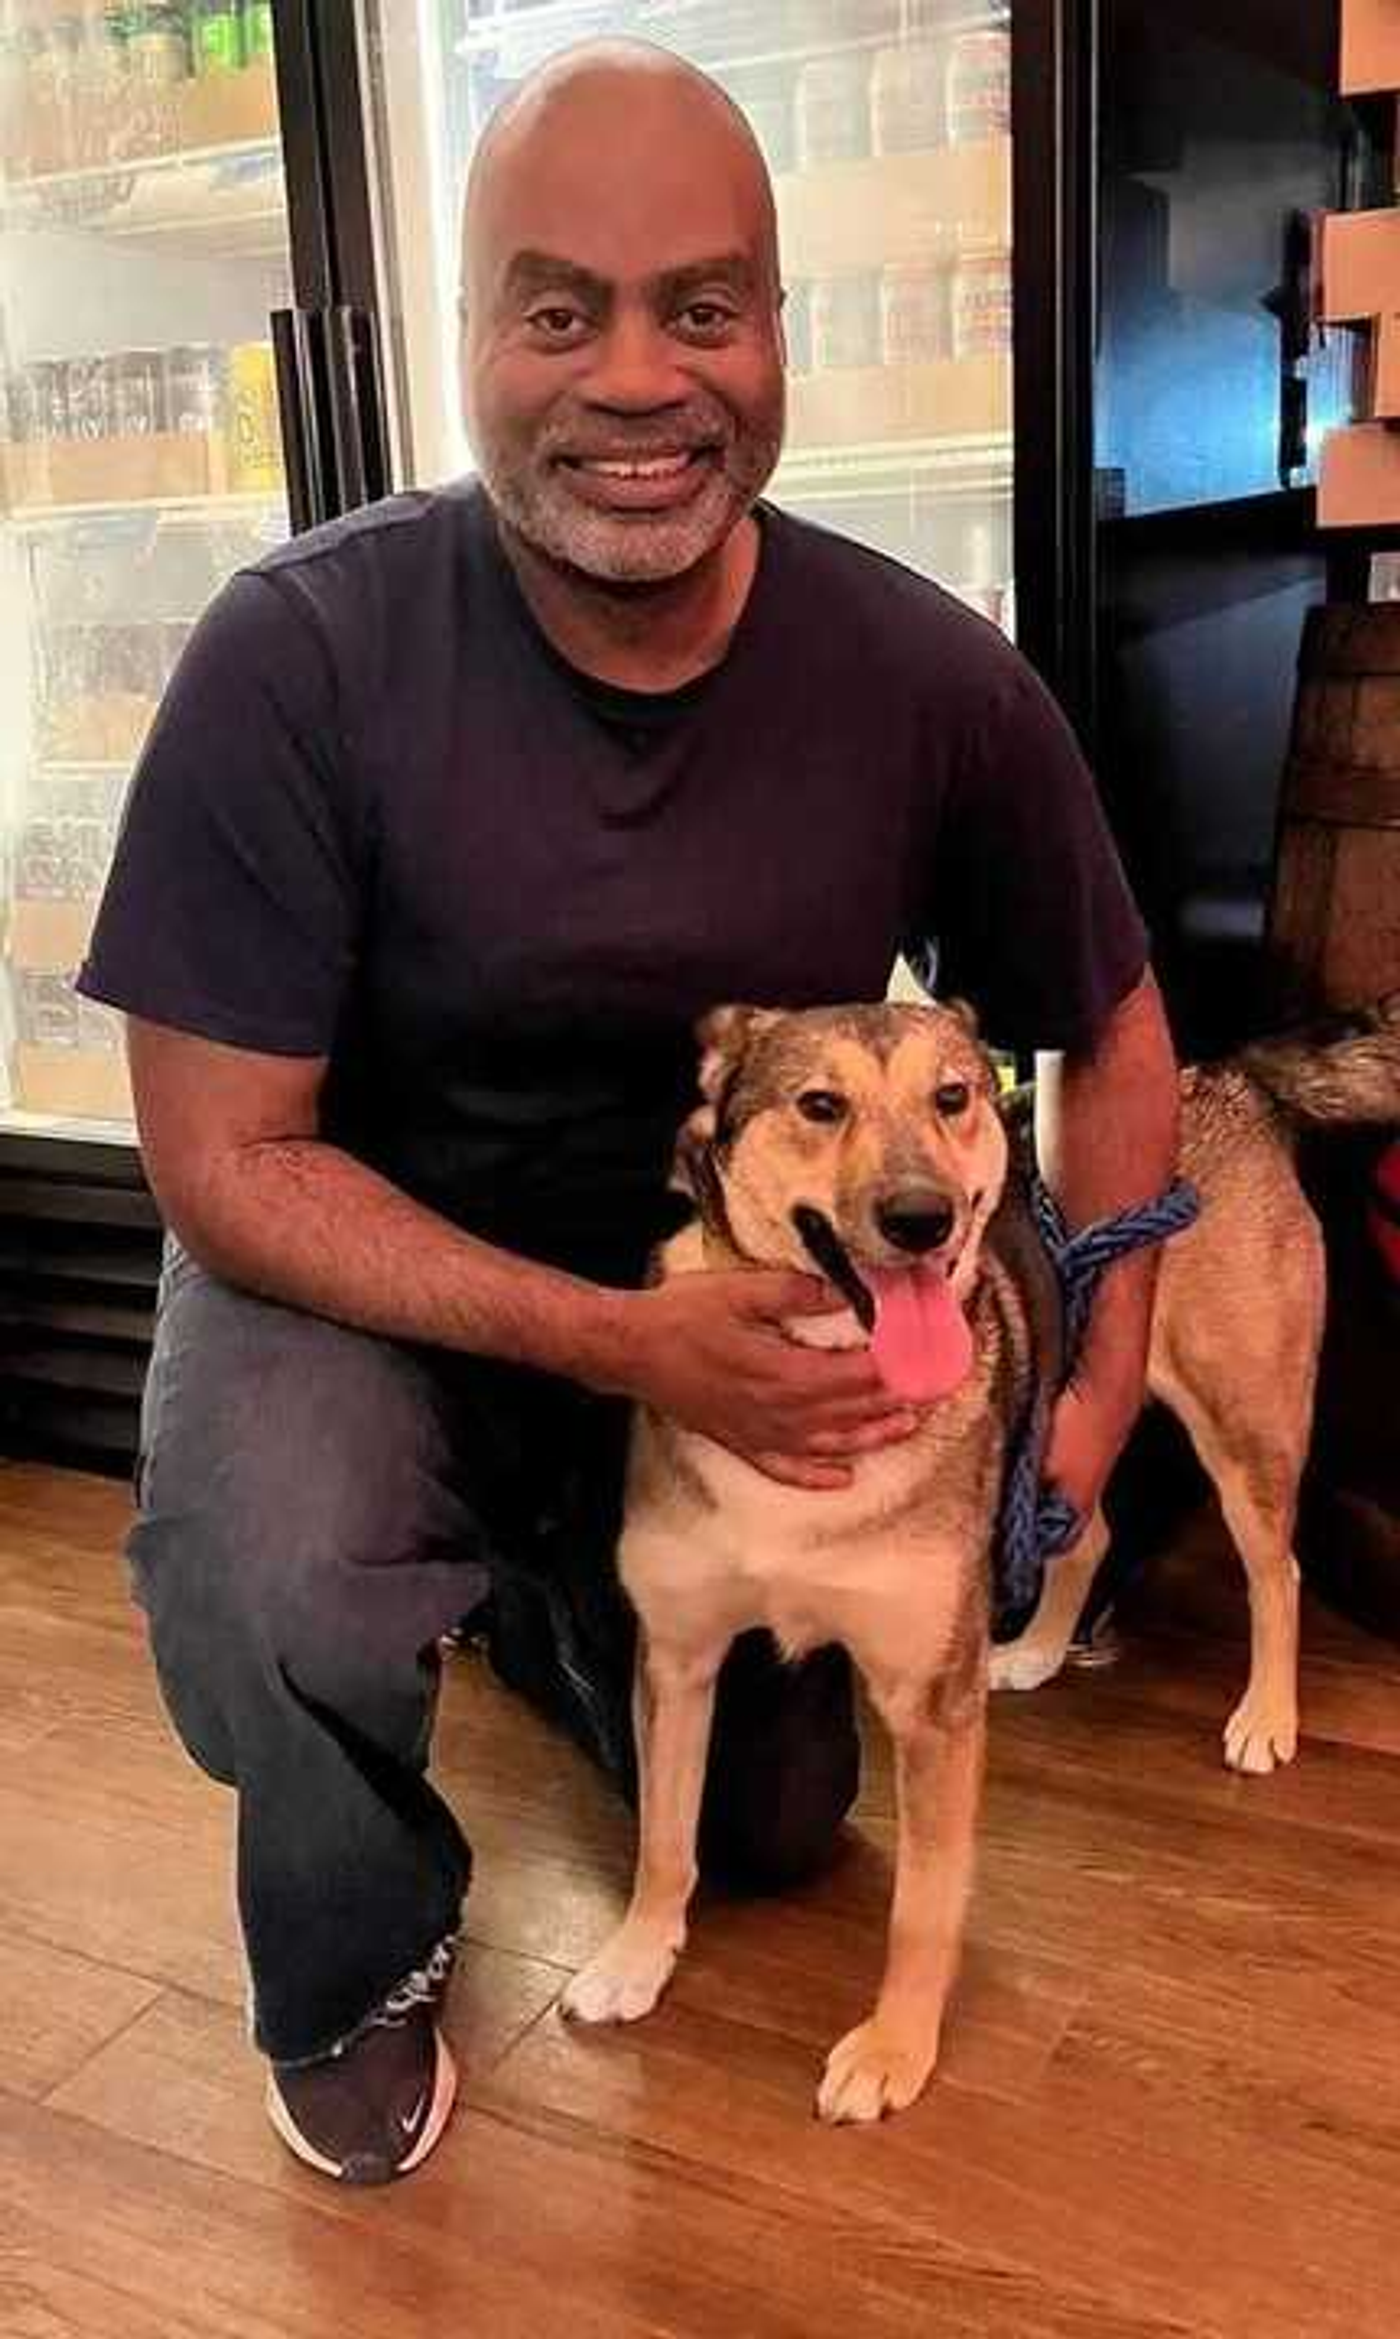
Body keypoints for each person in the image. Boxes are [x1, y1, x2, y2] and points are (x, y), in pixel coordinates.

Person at [77, 40, 1179, 2185]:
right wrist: (607, 1342)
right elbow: (219, 1164)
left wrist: (1097, 1388)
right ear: (463, 330)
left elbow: (1114, 1029)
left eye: (703, 305)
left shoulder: (929, 681)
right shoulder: (294, 661)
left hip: (736, 1335)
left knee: (771, 1833)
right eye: (558, 308)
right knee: (274, 1567)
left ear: (781, 329)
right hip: (367, 1285)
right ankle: (349, 1946)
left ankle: (551, 1590)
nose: (639, 378)